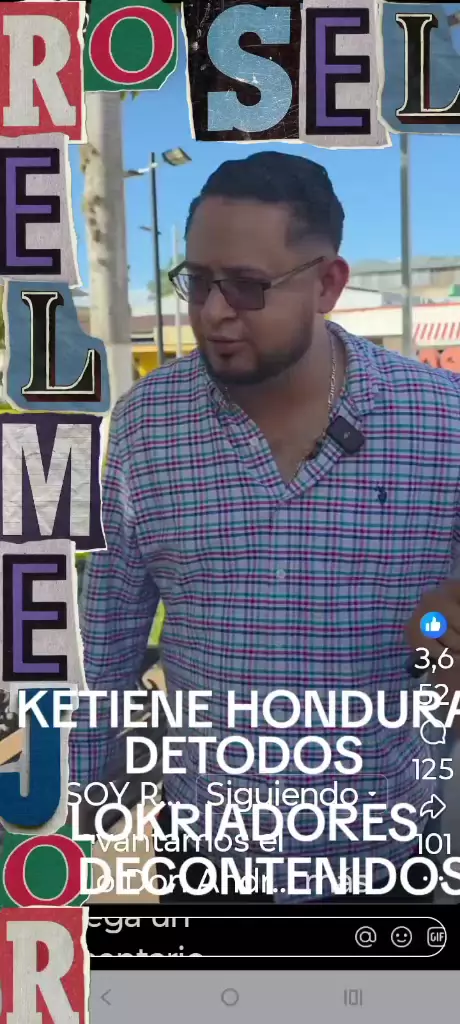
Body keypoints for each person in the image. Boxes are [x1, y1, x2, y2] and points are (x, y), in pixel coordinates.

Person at [72, 151, 460, 905]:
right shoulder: (146, 425)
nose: (214, 311)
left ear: (328, 285)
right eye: (198, 281)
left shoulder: (441, 422)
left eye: (247, 285)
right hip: (204, 859)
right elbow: (110, 630)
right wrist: (80, 804)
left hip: (386, 859)